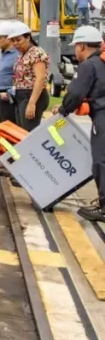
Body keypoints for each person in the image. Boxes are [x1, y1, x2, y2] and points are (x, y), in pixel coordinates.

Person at [53, 26, 105, 222]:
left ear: (82, 46)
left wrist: (64, 109)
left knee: (101, 161)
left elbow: (75, 93)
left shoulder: (89, 66)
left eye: (76, 46)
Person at [9, 22, 50, 131]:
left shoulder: (36, 53)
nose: (16, 44)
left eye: (18, 40)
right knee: (20, 133)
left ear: (28, 37)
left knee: (28, 133)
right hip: (20, 95)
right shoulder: (21, 54)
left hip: (32, 95)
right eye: (13, 41)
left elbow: (40, 78)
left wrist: (32, 103)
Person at [0, 21, 20, 125]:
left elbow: (21, 78)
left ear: (8, 38)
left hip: (8, 99)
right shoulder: (5, 55)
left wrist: (9, 93)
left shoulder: (17, 56)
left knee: (9, 130)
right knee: (1, 129)